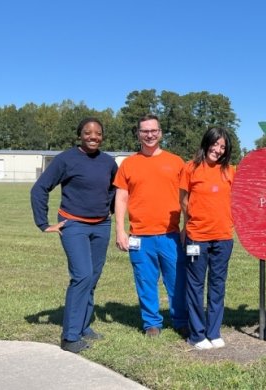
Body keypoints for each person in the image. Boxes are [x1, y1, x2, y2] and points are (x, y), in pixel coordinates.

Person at [30, 117, 117, 353]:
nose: (93, 137)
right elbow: (40, 188)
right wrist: (43, 223)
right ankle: (70, 337)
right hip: (73, 225)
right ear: (80, 135)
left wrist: (108, 212)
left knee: (93, 278)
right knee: (82, 276)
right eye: (88, 133)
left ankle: (83, 326)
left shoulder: (109, 163)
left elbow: (113, 191)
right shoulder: (65, 159)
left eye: (97, 133)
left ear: (102, 136)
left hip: (101, 226)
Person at [114, 114, 188, 337]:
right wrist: (119, 230)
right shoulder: (129, 164)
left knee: (177, 281)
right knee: (145, 281)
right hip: (140, 236)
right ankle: (151, 323)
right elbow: (121, 198)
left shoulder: (176, 162)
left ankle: (181, 320)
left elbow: (186, 197)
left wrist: (187, 227)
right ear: (138, 134)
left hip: (170, 235)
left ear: (161, 133)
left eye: (153, 130)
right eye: (145, 131)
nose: (149, 135)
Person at [179, 127, 235, 350]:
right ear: (206, 143)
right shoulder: (190, 168)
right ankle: (197, 334)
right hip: (197, 237)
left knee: (217, 285)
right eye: (215, 144)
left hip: (223, 237)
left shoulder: (230, 171)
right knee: (195, 285)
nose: (218, 150)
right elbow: (183, 200)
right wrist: (189, 223)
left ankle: (213, 331)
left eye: (223, 147)